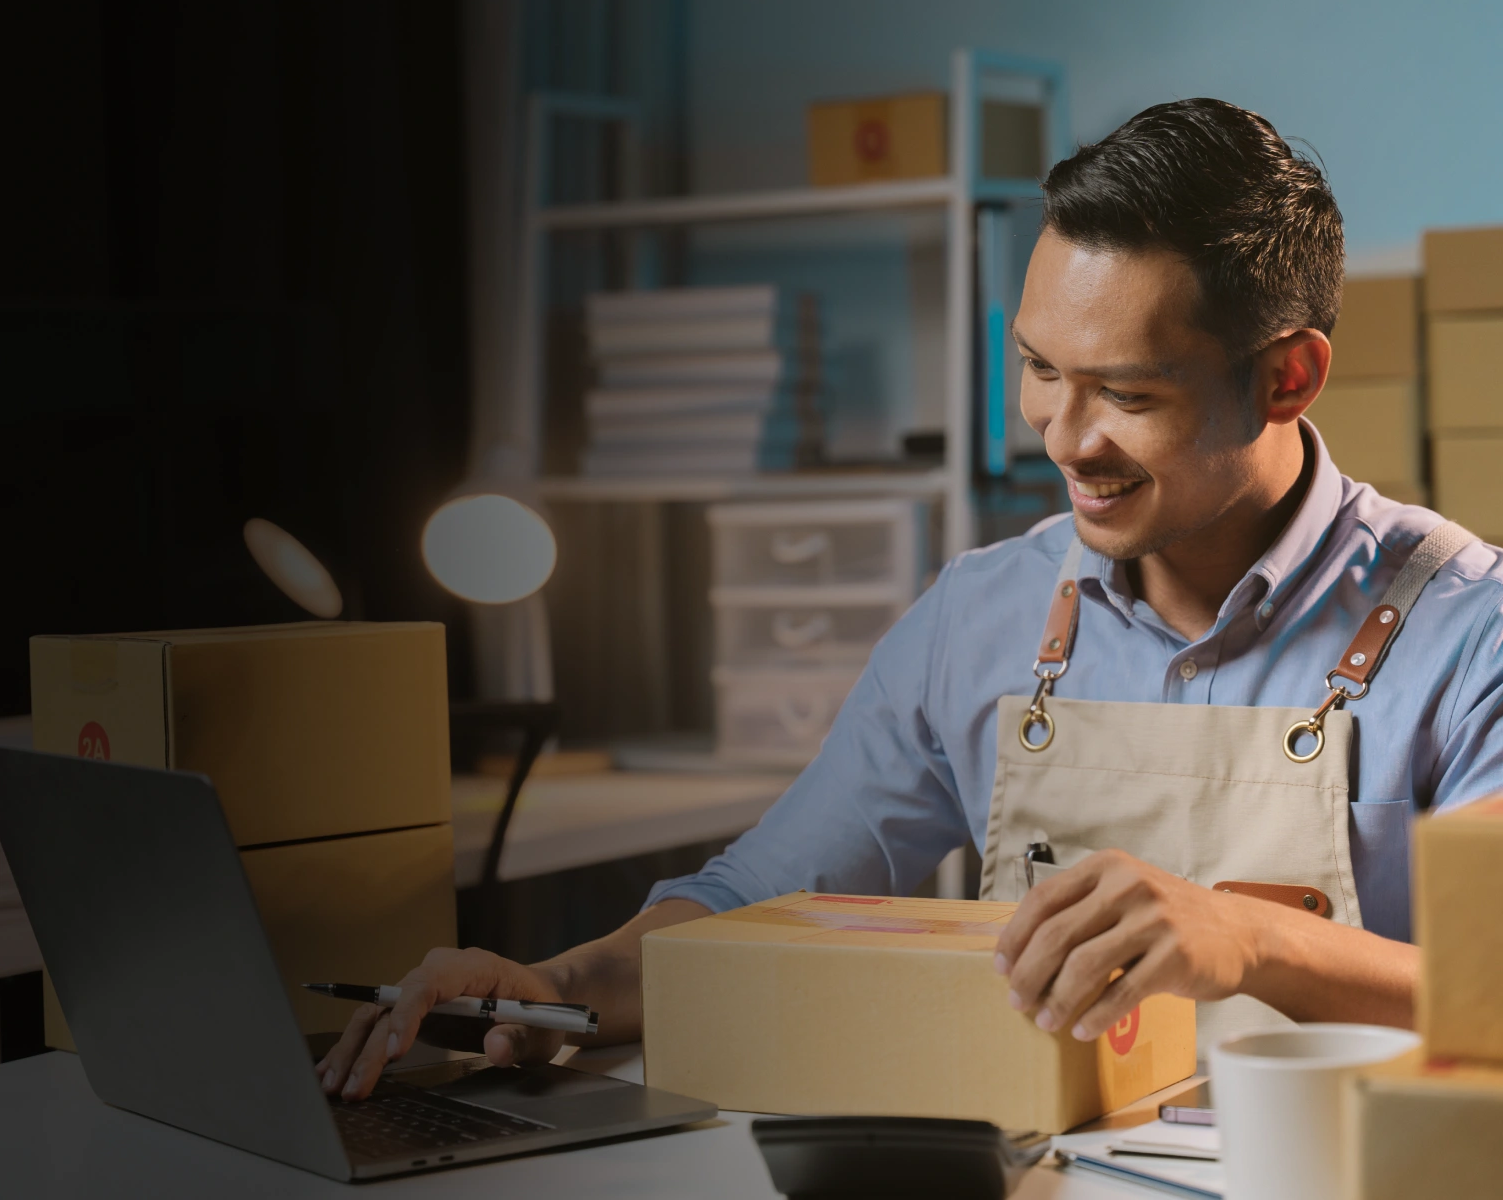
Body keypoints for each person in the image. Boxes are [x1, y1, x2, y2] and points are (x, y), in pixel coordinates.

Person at [320, 98, 1503, 1102]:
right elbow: (762, 898)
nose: (1062, 436)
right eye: (1041, 369)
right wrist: (558, 987)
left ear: (1287, 375)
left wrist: (1248, 938)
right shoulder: (980, 614)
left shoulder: (1468, 633)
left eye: (1127, 393)